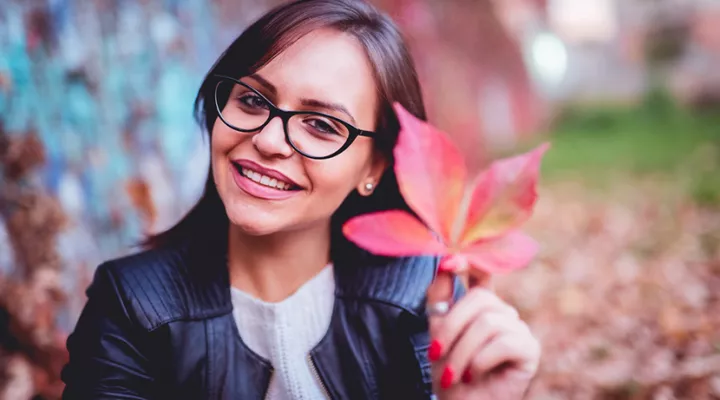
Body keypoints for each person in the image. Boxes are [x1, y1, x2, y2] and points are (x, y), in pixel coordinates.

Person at [61, 0, 541, 398]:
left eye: (321, 125)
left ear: (374, 168)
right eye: (251, 100)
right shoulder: (133, 307)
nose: (269, 140)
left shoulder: (422, 301)